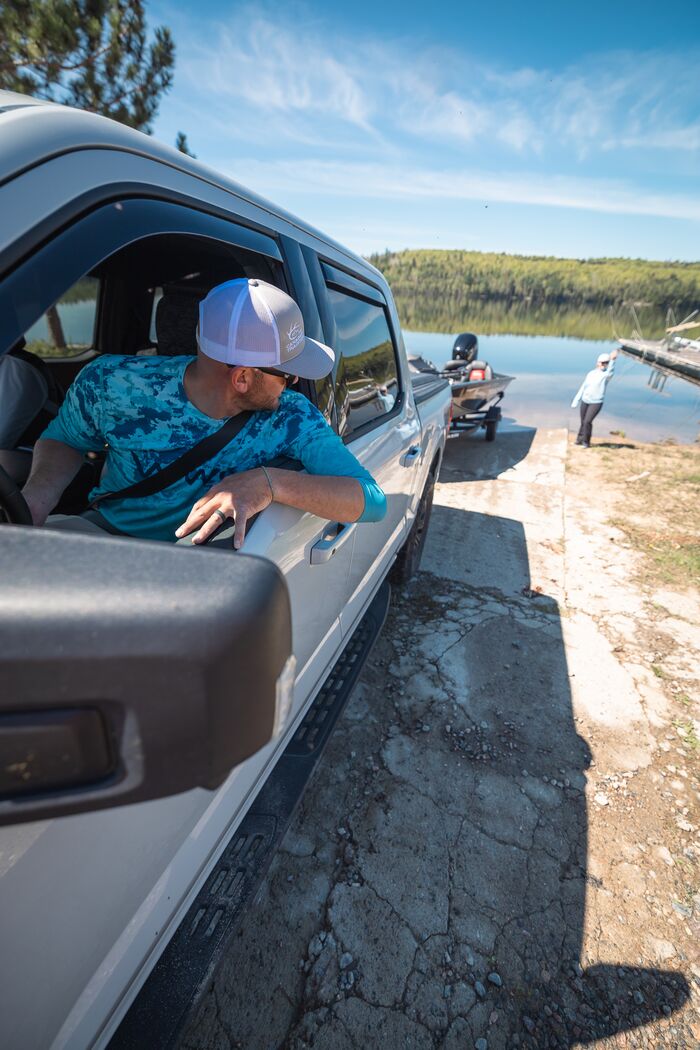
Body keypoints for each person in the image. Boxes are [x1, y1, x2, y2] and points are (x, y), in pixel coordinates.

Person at [21, 278, 386, 547]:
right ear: (242, 377)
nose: (293, 381)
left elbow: (370, 499)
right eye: (287, 372)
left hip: (193, 564)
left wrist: (267, 483)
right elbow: (65, 440)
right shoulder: (110, 381)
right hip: (101, 536)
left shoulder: (292, 418)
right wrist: (35, 503)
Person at [570, 348, 619, 448]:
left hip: (596, 403)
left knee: (588, 421)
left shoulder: (606, 375)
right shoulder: (591, 373)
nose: (603, 364)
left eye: (606, 363)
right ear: (598, 363)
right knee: (583, 421)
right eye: (602, 362)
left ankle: (586, 442)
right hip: (585, 400)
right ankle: (579, 440)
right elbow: (583, 386)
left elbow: (611, 371)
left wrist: (613, 360)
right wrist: (576, 399)